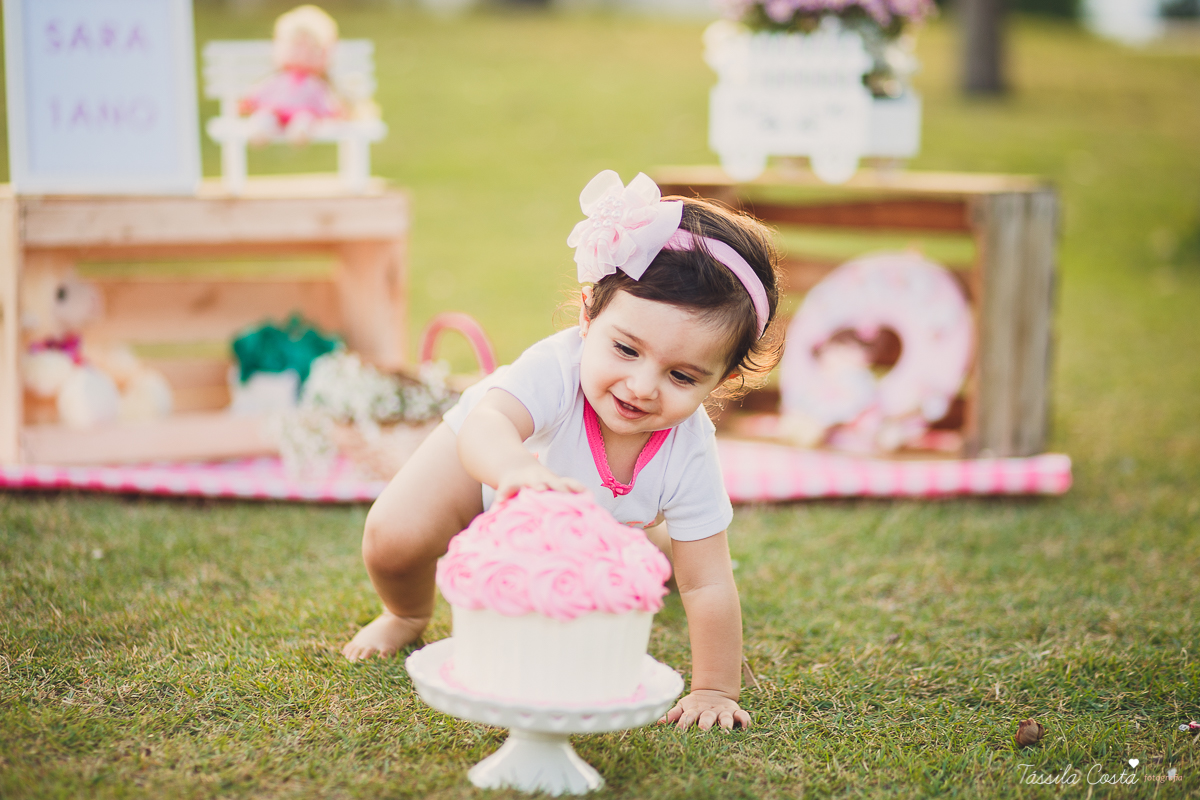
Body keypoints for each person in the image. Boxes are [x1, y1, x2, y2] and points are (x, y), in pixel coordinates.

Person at [343, 170, 783, 732]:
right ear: (587, 315)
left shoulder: (690, 449)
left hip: (581, 498)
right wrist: (515, 471)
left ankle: (646, 538)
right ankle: (405, 611)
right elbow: (488, 426)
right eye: (626, 349)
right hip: (494, 459)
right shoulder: (556, 369)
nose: (643, 386)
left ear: (718, 381)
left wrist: (714, 688)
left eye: (681, 375)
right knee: (393, 537)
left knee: (681, 556)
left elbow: (709, 582)